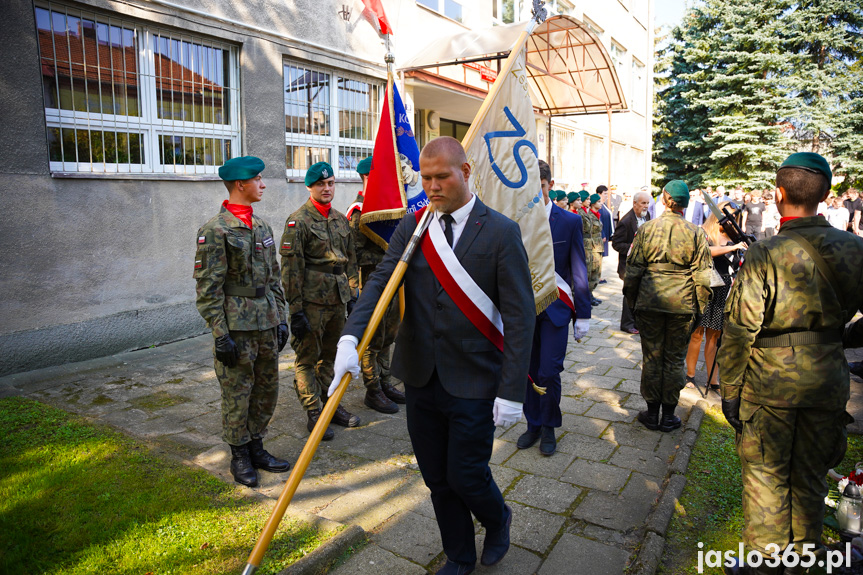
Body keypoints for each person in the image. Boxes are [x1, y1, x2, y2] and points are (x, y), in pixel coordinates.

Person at [330, 136, 534, 575]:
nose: (434, 186)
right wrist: (350, 338)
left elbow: (520, 318)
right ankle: (459, 554)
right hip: (421, 376)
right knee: (436, 479)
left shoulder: (500, 231)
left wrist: (512, 390)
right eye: (426, 178)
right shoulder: (414, 226)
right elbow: (381, 282)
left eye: (442, 176)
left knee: (466, 475)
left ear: (466, 172)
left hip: (475, 379)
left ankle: (498, 519)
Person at [719, 153, 863, 575]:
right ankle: (804, 560)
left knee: (767, 480)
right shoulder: (857, 250)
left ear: (778, 195)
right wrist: (847, 335)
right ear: (826, 195)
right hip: (826, 384)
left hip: (769, 389)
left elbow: (739, 331)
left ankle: (765, 565)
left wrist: (731, 394)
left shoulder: (765, 253)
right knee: (811, 478)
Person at [194, 156, 291, 487]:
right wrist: (221, 334)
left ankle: (257, 446)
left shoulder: (262, 226)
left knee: (267, 389)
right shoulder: (215, 230)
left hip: (265, 322)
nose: (263, 185)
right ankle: (239, 455)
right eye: (258, 179)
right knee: (238, 391)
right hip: (237, 327)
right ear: (241, 184)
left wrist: (281, 319)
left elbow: (274, 277)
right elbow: (208, 290)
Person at [623, 180, 712, 432]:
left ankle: (652, 414)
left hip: (650, 303)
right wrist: (699, 309)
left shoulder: (647, 229)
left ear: (664, 199)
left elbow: (633, 271)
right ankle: (669, 415)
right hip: (682, 306)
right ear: (684, 203)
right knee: (674, 359)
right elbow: (703, 278)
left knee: (652, 357)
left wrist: (633, 302)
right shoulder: (696, 233)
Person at [281, 161, 360, 441]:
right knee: (307, 359)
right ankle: (314, 412)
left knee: (333, 356)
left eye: (331, 183)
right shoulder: (298, 221)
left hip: (338, 301)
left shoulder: (340, 219)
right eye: (321, 184)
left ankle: (329, 405)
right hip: (312, 303)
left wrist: (353, 294)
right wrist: (295, 311)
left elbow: (350, 260)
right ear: (309, 187)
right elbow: (290, 271)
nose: (327, 189)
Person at [518, 160, 591, 456]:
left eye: (541, 185)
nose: (535, 191)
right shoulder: (516, 220)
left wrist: (583, 314)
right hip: (524, 310)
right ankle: (533, 423)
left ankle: (548, 426)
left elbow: (578, 269)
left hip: (557, 309)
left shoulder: (569, 221)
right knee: (528, 370)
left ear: (549, 183)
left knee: (549, 370)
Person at [347, 156, 405, 414]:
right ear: (367, 178)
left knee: (388, 335)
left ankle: (385, 380)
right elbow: (353, 255)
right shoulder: (360, 212)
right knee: (372, 338)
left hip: (392, 282)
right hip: (372, 282)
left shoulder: (389, 207)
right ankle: (373, 390)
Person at [684, 202, 746, 391]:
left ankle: (713, 380)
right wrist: (732, 247)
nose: (731, 220)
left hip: (724, 289)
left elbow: (738, 264)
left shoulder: (735, 237)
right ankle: (690, 375)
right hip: (706, 287)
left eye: (735, 217)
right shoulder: (704, 232)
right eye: (729, 216)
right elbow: (705, 252)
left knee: (715, 335)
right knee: (697, 333)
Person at [612, 190, 651, 335]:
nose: (646, 206)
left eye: (647, 203)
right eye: (643, 203)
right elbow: (616, 244)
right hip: (628, 266)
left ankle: (637, 321)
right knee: (630, 293)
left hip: (642, 264)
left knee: (640, 294)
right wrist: (634, 248)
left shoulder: (646, 215)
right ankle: (627, 324)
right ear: (635, 204)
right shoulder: (626, 221)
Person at [581, 191, 603, 305]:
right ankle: (588, 295)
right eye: (598, 202)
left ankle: (591, 294)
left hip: (597, 245)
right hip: (591, 246)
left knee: (596, 272)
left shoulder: (596, 215)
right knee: (591, 272)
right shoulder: (587, 215)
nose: (601, 204)